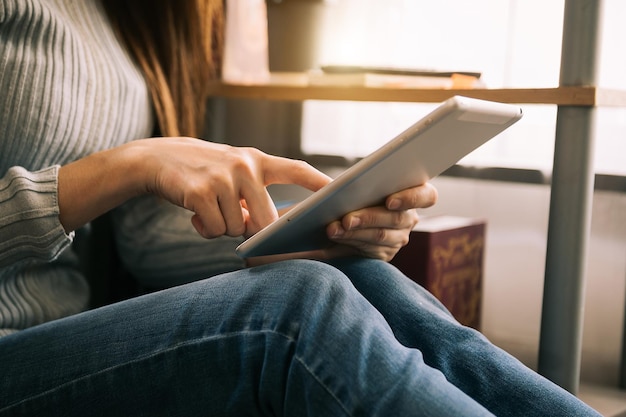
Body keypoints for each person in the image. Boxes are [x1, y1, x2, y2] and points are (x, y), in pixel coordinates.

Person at [0, 1, 602, 416]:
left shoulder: (123, 18)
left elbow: (139, 239)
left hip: (59, 333)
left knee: (356, 277)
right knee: (295, 313)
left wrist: (315, 228)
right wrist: (128, 166)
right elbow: (115, 179)